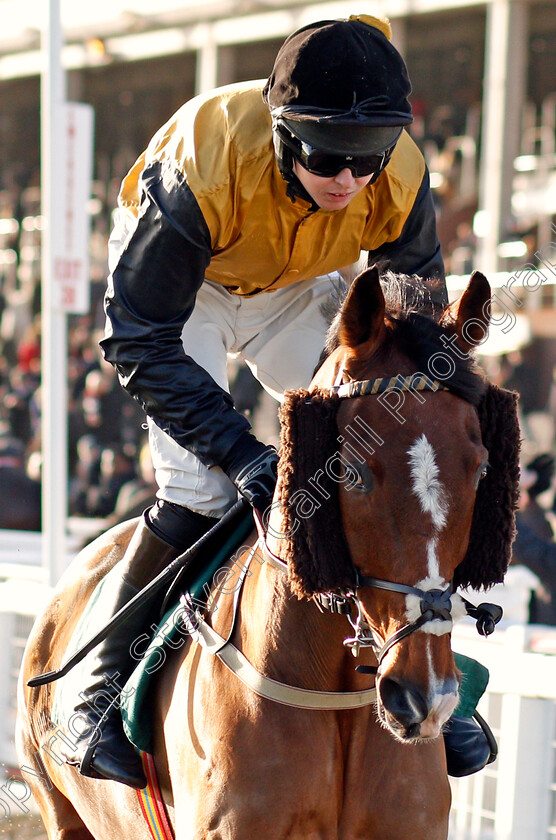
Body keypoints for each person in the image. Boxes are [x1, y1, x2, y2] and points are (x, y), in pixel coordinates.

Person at [62, 15, 489, 787]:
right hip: (183, 298)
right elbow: (138, 338)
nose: (351, 180)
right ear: (283, 128)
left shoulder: (400, 173)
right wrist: (242, 451)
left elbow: (410, 328)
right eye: (329, 156)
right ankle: (94, 692)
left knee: (385, 441)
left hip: (292, 292)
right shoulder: (208, 160)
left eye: (369, 159)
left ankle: (430, 673)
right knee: (202, 485)